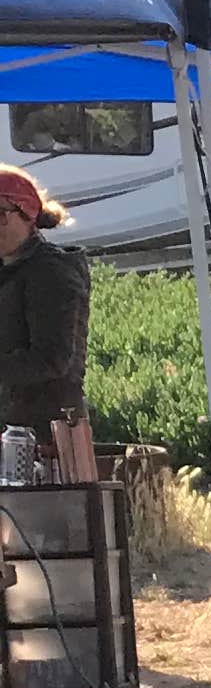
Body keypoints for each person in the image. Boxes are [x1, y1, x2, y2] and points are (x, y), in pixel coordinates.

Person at [0, 162, 89, 465]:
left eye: (0, 215)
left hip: (46, 435)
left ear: (28, 217)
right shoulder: (9, 266)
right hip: (13, 428)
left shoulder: (51, 272)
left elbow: (53, 358)